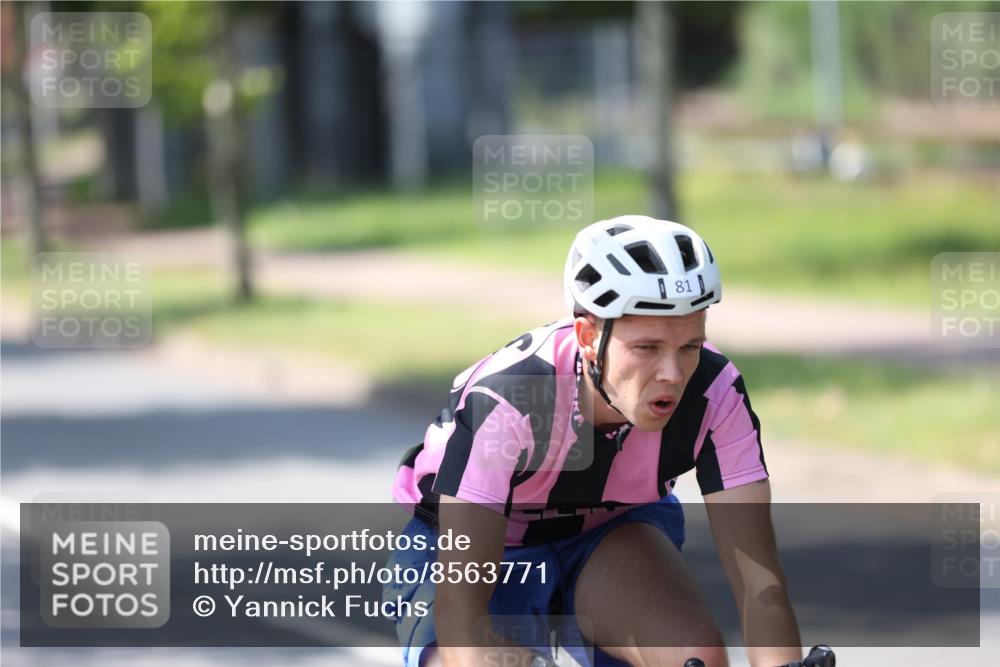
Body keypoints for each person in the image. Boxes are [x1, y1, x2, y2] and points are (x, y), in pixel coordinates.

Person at [385, 215, 803, 667]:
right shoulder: (511, 400)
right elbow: (462, 618)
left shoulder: (715, 392)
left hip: (607, 534)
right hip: (480, 546)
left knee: (694, 656)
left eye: (690, 346)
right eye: (647, 348)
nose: (673, 374)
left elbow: (762, 588)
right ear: (588, 337)